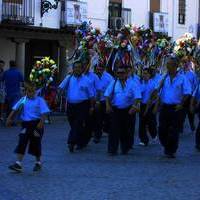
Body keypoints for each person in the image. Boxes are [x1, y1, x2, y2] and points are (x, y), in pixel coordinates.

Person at [7, 82, 50, 172]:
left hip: (36, 124)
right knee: (22, 140)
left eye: (33, 91)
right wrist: (9, 118)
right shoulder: (23, 100)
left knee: (36, 142)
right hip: (26, 125)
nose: (31, 93)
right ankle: (18, 163)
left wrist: (40, 124)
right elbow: (15, 109)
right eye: (29, 91)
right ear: (26, 91)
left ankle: (38, 162)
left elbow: (44, 112)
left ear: (35, 91)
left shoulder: (39, 100)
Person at [158, 56, 192, 158]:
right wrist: (156, 105)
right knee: (162, 129)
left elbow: (187, 92)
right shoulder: (164, 77)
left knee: (174, 130)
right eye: (167, 64)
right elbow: (158, 92)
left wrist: (181, 104)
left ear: (175, 66)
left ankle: (171, 150)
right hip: (165, 107)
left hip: (177, 108)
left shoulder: (182, 78)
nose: (167, 66)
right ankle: (167, 145)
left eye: (170, 64)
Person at [58, 60, 95, 153]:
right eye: (75, 67)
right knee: (73, 123)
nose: (77, 69)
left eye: (79, 67)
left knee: (77, 123)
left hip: (83, 105)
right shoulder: (69, 78)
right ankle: (82, 141)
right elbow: (60, 88)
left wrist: (91, 107)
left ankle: (71, 142)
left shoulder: (87, 80)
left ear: (82, 69)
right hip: (70, 105)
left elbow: (92, 96)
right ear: (73, 69)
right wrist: (59, 94)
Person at [105, 65, 141, 155]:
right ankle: (112, 150)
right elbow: (107, 95)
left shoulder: (132, 83)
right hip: (116, 110)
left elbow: (137, 96)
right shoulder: (113, 83)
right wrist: (107, 106)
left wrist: (134, 106)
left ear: (126, 73)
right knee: (113, 130)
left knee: (126, 130)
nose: (120, 74)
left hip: (128, 110)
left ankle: (125, 148)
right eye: (119, 73)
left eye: (122, 72)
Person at [93, 61, 114, 143]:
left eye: (100, 69)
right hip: (96, 101)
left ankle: (107, 130)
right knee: (98, 119)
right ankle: (97, 135)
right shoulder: (93, 76)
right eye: (97, 69)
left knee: (107, 119)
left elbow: (111, 90)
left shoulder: (109, 78)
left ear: (103, 69)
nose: (99, 71)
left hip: (105, 101)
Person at [139, 68, 158, 146]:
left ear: (150, 75)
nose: (144, 75)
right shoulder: (140, 84)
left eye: (146, 73)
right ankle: (144, 140)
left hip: (151, 105)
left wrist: (156, 107)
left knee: (151, 123)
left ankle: (154, 134)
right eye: (143, 73)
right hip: (142, 105)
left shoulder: (153, 84)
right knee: (142, 123)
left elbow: (157, 96)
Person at [179, 57, 198, 132]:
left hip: (190, 96)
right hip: (182, 95)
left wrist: (194, 97)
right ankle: (180, 127)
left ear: (188, 64)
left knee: (190, 113)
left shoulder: (192, 74)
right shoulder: (179, 73)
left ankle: (192, 124)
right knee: (181, 112)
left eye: (186, 62)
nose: (185, 64)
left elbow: (195, 85)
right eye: (183, 62)